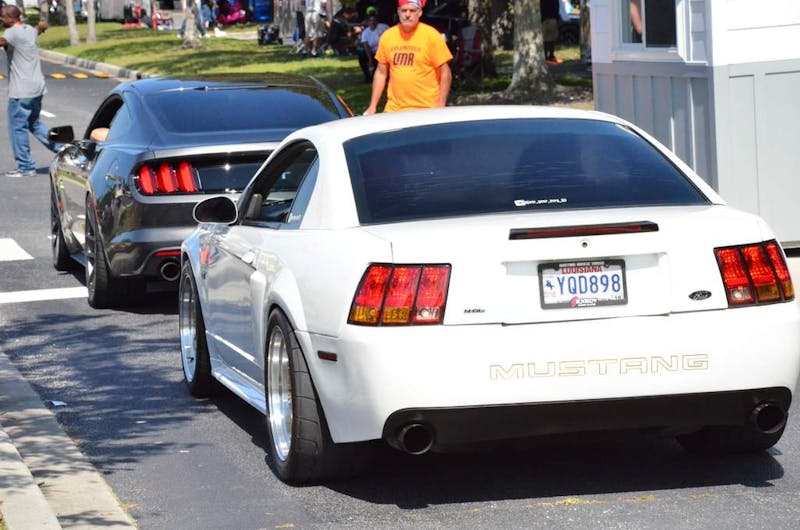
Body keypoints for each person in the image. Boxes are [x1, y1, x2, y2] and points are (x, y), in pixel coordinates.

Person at [0, 4, 62, 178]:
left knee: (17, 128)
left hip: (21, 91)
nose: (1, 19)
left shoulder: (11, 33)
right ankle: (64, 150)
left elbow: (3, 42)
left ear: (11, 18)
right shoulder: (28, 30)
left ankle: (26, 166)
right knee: (34, 123)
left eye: (3, 17)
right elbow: (37, 30)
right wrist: (41, 28)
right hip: (37, 87)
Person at [364, 0, 452, 114]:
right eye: (404, 10)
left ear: (419, 12)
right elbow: (381, 73)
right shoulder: (388, 36)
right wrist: (372, 106)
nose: (407, 14)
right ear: (398, 12)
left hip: (426, 109)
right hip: (394, 109)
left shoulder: (431, 35)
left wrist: (441, 105)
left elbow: (446, 73)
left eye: (412, 10)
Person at [357, 12, 388, 82]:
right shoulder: (365, 33)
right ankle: (367, 76)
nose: (373, 22)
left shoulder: (384, 27)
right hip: (372, 53)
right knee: (361, 55)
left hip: (384, 52)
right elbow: (366, 47)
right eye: (371, 21)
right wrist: (370, 60)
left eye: (374, 20)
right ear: (368, 22)